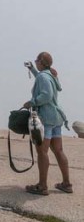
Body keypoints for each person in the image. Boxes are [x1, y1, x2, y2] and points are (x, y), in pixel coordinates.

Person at [23, 52, 72, 196]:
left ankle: (42, 186)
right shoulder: (50, 75)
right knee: (58, 150)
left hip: (46, 119)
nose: (35, 62)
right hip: (56, 117)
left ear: (42, 62)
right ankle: (66, 184)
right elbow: (43, 77)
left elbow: (46, 95)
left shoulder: (44, 76)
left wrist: (31, 102)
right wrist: (31, 68)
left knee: (42, 151)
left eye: (36, 60)